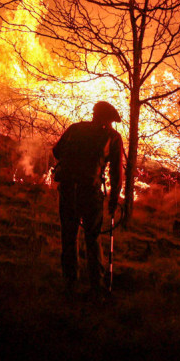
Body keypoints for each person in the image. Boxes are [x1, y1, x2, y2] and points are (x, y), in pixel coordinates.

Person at [51, 100, 124, 293]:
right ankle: (97, 286)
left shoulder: (76, 128)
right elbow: (116, 173)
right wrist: (114, 198)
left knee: (69, 236)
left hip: (68, 188)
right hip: (90, 193)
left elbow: (56, 151)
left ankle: (70, 282)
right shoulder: (113, 137)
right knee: (92, 238)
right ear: (108, 120)